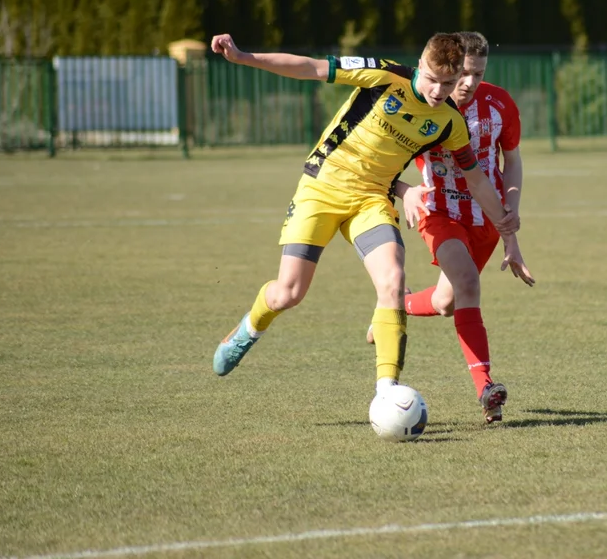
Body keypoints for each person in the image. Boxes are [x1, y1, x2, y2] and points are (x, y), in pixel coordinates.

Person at [209, 32, 529, 404]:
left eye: (448, 83)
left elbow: (476, 178)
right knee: (289, 292)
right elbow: (311, 67)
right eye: (433, 79)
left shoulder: (448, 121)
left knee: (393, 281)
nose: (440, 91)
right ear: (420, 65)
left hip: (372, 200)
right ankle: (248, 328)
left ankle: (387, 393)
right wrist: (245, 56)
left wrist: (507, 225)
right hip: (321, 190)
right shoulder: (383, 74)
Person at [367, 31, 534, 424]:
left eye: (477, 74)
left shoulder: (499, 104)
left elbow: (512, 161)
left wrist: (509, 222)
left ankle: (395, 305)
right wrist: (402, 189)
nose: (468, 83)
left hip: (485, 219)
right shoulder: (424, 103)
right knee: (468, 284)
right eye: (463, 73)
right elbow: (379, 161)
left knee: (446, 302)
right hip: (439, 211)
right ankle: (487, 389)